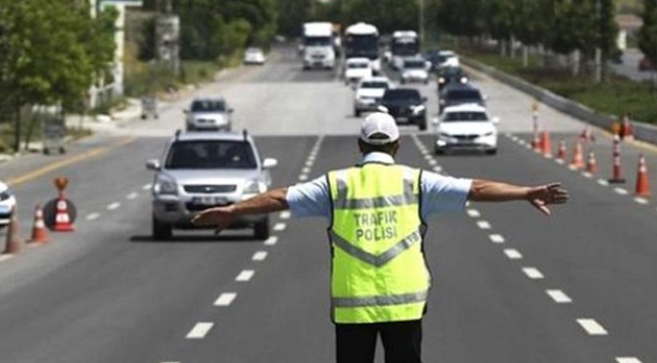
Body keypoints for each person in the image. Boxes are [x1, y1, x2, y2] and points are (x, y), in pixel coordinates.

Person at [192, 112, 569, 363]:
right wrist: (524, 192)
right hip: (404, 306)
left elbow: (279, 197)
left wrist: (233, 210)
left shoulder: (335, 184)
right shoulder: (417, 181)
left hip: (353, 305)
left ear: (359, 147)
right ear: (396, 146)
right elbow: (477, 188)